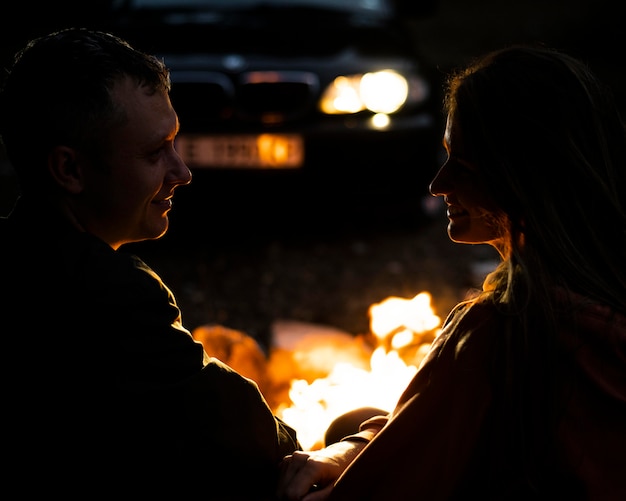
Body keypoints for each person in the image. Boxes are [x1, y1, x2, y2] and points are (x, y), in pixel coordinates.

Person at [277, 44, 626, 500]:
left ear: (521, 174)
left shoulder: (505, 331)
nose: (437, 185)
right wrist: (357, 446)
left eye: (461, 164)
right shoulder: (602, 292)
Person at [0, 28, 299, 498]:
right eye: (154, 153)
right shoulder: (108, 296)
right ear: (69, 170)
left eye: (175, 144)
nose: (182, 172)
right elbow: (255, 439)